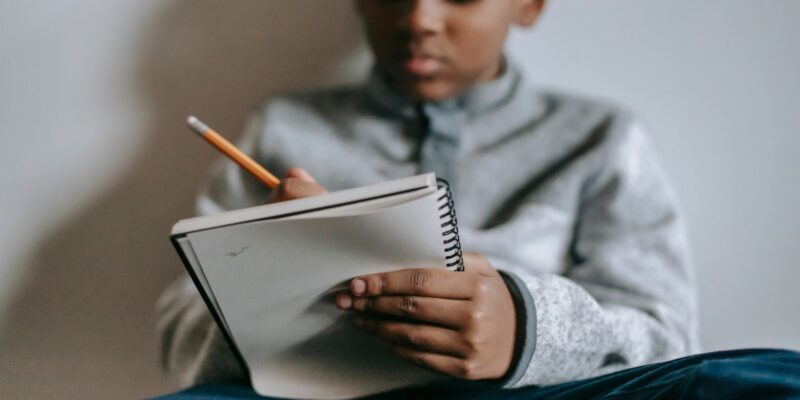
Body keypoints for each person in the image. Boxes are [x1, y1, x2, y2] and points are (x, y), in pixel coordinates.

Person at [154, 0, 800, 398]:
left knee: (773, 379)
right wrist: (270, 276)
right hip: (314, 399)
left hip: (534, 396)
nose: (418, 20)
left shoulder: (602, 139)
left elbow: (667, 341)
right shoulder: (285, 130)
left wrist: (526, 329)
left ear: (530, 3)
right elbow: (181, 333)